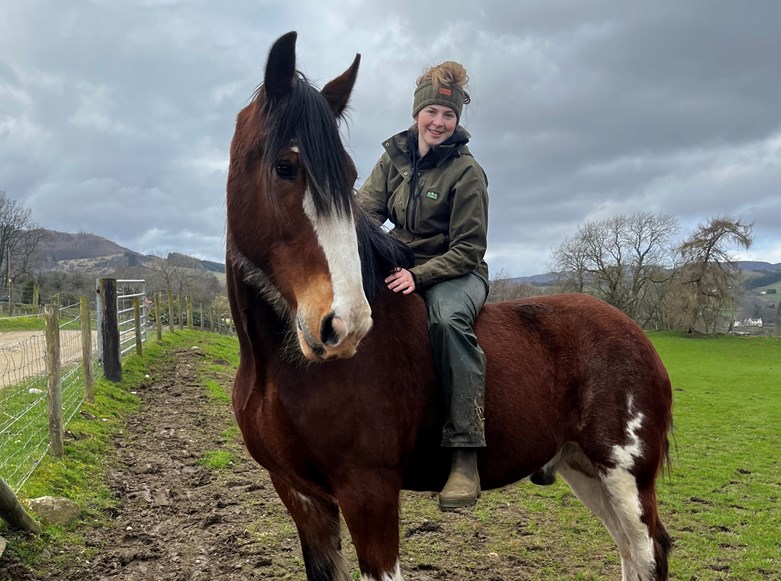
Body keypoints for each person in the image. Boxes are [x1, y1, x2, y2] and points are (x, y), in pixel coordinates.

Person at [357, 61, 489, 510]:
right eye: (432, 111)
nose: (439, 122)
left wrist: (418, 276)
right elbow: (367, 210)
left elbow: (469, 249)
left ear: (457, 122)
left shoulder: (468, 172)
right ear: (417, 113)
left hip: (456, 272)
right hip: (401, 263)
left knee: (447, 321)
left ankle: (465, 456)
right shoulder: (393, 158)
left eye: (448, 115)